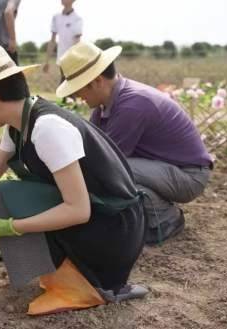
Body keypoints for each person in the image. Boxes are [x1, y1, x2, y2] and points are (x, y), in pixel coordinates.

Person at [0, 44, 148, 315]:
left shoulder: (47, 128)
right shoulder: (19, 124)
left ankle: (84, 286)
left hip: (114, 230)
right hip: (102, 219)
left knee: (7, 197)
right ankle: (64, 276)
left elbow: (78, 209)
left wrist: (8, 227)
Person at [56, 41, 213, 245]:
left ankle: (166, 219)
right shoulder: (105, 106)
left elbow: (105, 162)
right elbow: (89, 148)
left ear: (97, 81)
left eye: (78, 89)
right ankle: (146, 215)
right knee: (105, 170)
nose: (76, 95)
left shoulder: (133, 105)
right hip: (163, 169)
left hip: (190, 176)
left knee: (113, 169)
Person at [43, 0, 83, 80]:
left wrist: (74, 59)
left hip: (73, 60)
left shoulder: (77, 19)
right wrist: (47, 61)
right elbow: (52, 41)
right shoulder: (56, 17)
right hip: (62, 60)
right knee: (64, 84)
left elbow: (77, 41)